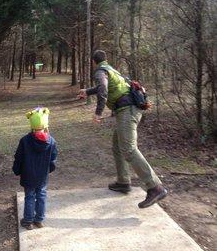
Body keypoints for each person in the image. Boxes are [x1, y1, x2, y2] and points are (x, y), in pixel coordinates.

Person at [78, 50, 167, 208]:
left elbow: (103, 89)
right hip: (128, 109)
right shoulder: (111, 69)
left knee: (128, 148)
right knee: (118, 146)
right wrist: (88, 92)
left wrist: (98, 113)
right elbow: (107, 87)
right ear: (105, 59)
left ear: (93, 61)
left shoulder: (100, 71)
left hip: (127, 110)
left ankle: (155, 187)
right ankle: (123, 182)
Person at [12, 107, 58, 230]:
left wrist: (16, 170)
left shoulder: (25, 141)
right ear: (46, 124)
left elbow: (19, 158)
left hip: (28, 176)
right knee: (42, 195)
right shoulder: (51, 141)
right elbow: (53, 160)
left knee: (30, 196)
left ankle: (28, 221)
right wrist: (49, 170)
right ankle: (39, 220)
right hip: (42, 176)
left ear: (31, 125)